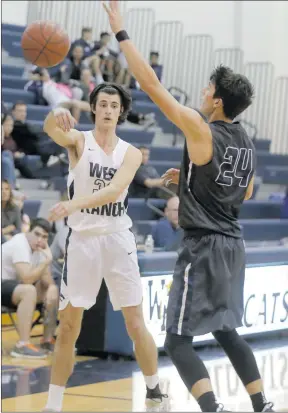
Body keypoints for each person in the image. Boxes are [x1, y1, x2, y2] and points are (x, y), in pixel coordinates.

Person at [101, 2, 275, 412]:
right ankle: (262, 404)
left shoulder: (202, 128)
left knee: (177, 341)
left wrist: (121, 33)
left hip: (205, 248)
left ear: (216, 102)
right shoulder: (246, 140)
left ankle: (213, 409)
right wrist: (195, 182)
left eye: (207, 89)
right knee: (227, 331)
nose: (202, 92)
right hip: (234, 246)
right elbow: (244, 192)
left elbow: (151, 86)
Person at [42, 82, 167, 412]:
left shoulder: (132, 152)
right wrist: (56, 112)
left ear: (121, 111)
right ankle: (53, 405)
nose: (109, 110)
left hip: (117, 240)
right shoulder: (79, 141)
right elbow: (52, 130)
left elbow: (114, 191)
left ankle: (155, 389)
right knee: (69, 326)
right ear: (94, 108)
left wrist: (72, 204)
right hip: (82, 242)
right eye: (103, 104)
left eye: (114, 105)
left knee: (135, 323)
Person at [1, 218, 58, 358]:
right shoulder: (19, 244)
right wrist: (46, 262)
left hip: (13, 289)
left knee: (50, 290)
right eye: (37, 234)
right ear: (28, 232)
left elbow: (46, 280)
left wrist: (51, 287)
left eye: (44, 237)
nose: (40, 239)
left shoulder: (39, 249)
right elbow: (26, 278)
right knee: (29, 290)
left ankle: (47, 340)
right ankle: (22, 345)